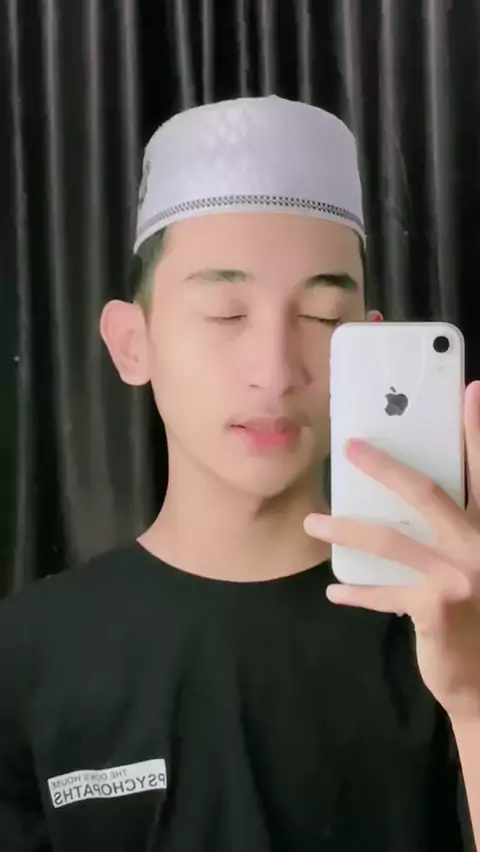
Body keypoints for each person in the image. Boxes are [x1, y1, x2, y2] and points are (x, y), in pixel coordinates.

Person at [0, 95, 479, 852]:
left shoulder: (448, 620)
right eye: (226, 312)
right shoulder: (27, 652)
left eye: (321, 318)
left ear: (368, 346)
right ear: (132, 343)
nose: (276, 371)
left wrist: (475, 699)